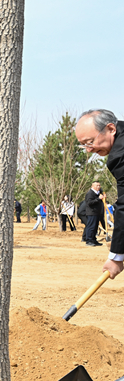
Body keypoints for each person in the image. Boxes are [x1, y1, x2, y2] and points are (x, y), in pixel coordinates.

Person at [75, 109, 124, 276]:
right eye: (83, 145)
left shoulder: (120, 155)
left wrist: (116, 256)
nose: (88, 150)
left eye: (90, 142)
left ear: (111, 129)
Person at [79, 181, 104, 247]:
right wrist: (98, 199)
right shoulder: (90, 193)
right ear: (92, 186)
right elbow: (89, 203)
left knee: (95, 227)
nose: (98, 187)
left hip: (96, 213)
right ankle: (89, 240)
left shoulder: (98, 193)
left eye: (99, 185)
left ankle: (93, 240)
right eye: (97, 185)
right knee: (91, 227)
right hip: (91, 213)